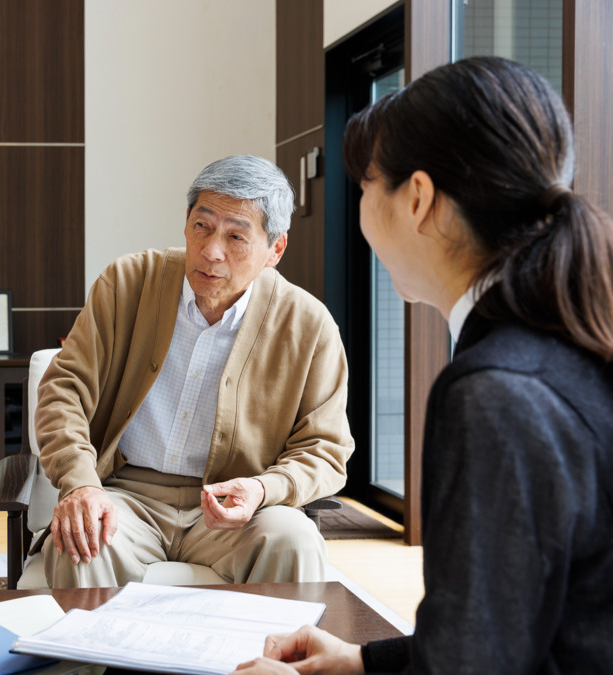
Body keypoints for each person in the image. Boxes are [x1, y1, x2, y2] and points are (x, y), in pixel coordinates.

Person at [234, 57, 613, 674]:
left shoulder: (494, 394)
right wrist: (364, 663)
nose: (359, 208)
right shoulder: (566, 345)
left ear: (417, 199)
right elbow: (509, 624)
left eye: (364, 185)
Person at [36, 155, 354, 587]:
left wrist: (264, 490)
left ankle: (267, 657)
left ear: (274, 250)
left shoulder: (309, 325)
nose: (211, 251)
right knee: (81, 541)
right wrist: (80, 483)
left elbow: (325, 448)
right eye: (202, 226)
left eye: (236, 236)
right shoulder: (128, 282)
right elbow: (63, 390)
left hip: (234, 510)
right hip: (126, 496)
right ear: (186, 221)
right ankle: (96, 660)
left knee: (293, 539)